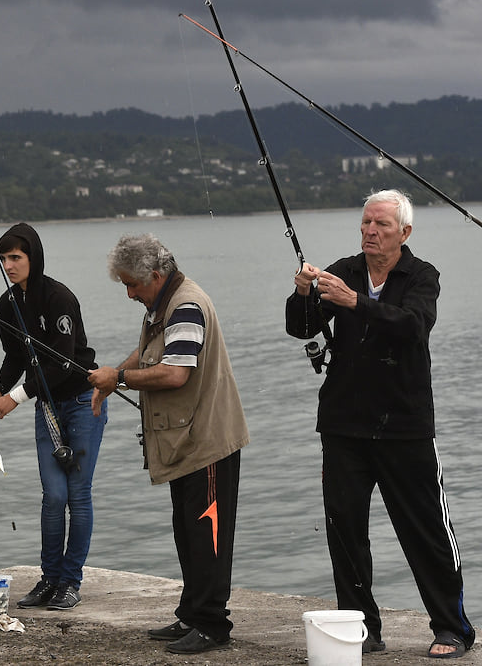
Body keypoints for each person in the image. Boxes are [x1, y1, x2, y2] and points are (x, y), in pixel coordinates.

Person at [285, 189, 474, 659]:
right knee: (345, 529)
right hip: (344, 425)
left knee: (425, 527)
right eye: (366, 223)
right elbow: (301, 327)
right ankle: (362, 628)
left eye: (382, 225)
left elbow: (413, 326)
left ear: (404, 232)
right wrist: (304, 292)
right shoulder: (344, 270)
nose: (371, 231)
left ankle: (452, 627)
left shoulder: (421, 276)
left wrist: (355, 303)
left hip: (405, 425)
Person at [89, 233, 249, 655]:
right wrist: (114, 374)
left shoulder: (186, 306)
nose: (129, 293)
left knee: (208, 534)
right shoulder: (163, 304)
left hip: (208, 441)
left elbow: (175, 373)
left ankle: (213, 624)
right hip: (185, 441)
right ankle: (192, 613)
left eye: (132, 284)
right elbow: (148, 353)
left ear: (155, 276)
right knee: (188, 530)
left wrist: (117, 379)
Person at [0, 223, 107, 611]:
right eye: (3, 258)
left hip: (83, 401)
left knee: (77, 496)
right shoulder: (6, 305)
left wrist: (14, 397)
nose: (8, 265)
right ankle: (49, 579)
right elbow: (16, 357)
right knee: (53, 496)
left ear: (34, 257)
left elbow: (65, 363)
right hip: (47, 407)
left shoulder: (59, 298)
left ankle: (71, 581)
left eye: (15, 257)